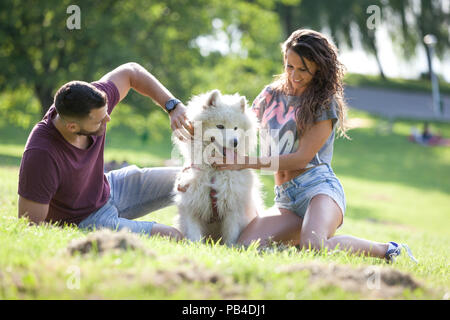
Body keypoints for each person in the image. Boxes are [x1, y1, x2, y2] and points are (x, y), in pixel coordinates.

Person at [211, 29, 416, 263]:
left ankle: (388, 250)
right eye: (290, 66)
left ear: (319, 67)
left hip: (318, 191)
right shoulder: (270, 95)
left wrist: (242, 163)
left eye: (303, 69)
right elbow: (239, 123)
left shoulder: (324, 102)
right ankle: (297, 241)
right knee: (244, 246)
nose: (294, 75)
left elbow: (301, 158)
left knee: (315, 246)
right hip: (286, 200)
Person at [18, 62, 194, 240]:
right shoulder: (41, 154)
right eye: (100, 121)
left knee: (193, 178)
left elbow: (131, 71)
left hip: (109, 187)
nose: (108, 119)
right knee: (173, 236)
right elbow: (30, 224)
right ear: (72, 126)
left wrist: (173, 106)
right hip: (85, 219)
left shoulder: (92, 102)